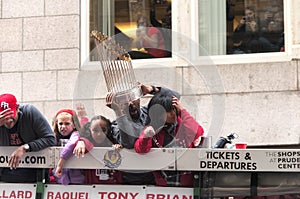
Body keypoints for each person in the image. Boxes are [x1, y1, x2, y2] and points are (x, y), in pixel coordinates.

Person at [75, 83, 180, 185]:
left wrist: (151, 89)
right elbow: (129, 143)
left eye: (132, 98)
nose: (130, 104)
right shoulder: (117, 125)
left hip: (156, 176)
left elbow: (175, 97)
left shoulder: (148, 111)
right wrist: (118, 112)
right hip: (129, 181)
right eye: (124, 102)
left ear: (138, 97)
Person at [134, 93, 204, 187]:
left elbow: (198, 132)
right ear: (157, 113)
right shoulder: (151, 129)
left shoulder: (184, 124)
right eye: (167, 111)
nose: (173, 113)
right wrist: (146, 137)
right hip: (163, 187)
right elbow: (140, 149)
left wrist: (182, 111)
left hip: (187, 186)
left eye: (173, 109)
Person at [0, 93, 56, 183]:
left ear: (17, 109)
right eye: (4, 118)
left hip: (33, 174)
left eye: (11, 116)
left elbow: (50, 139)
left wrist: (25, 147)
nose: (9, 121)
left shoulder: (29, 112)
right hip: (4, 174)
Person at [74, 115, 123, 184]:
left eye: (103, 130)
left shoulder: (113, 143)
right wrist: (81, 142)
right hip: (91, 188)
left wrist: (118, 148)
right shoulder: (85, 142)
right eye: (95, 130)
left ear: (108, 130)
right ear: (90, 130)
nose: (99, 134)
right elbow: (82, 142)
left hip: (113, 189)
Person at [53, 109, 85, 185]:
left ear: (74, 125)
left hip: (76, 181)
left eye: (67, 123)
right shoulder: (54, 138)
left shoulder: (76, 135)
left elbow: (71, 144)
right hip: (58, 180)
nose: (63, 126)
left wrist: (60, 164)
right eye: (60, 124)